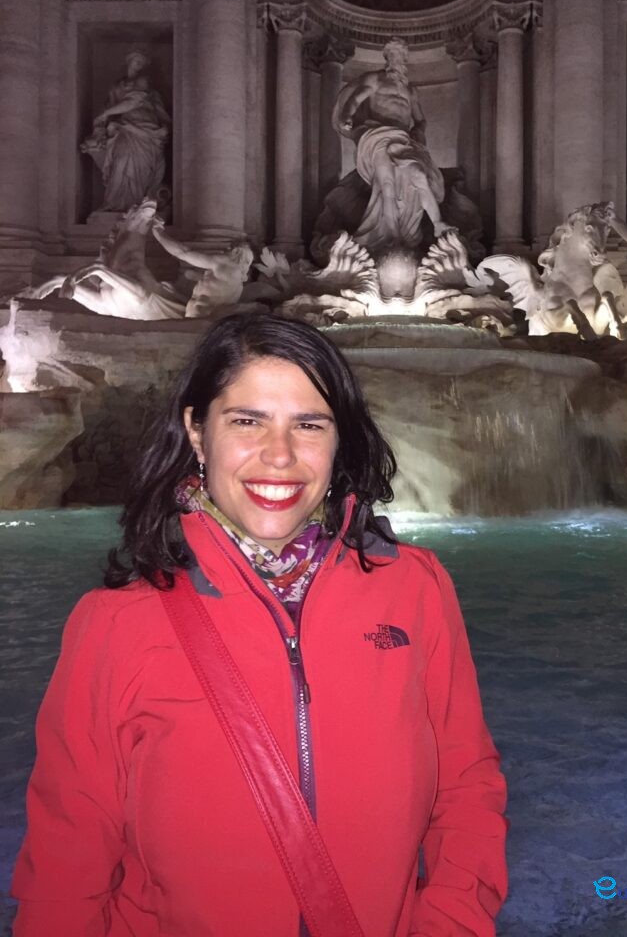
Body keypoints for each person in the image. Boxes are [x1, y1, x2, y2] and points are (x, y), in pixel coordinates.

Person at [11, 313, 508, 936]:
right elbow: (67, 858)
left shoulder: (416, 589)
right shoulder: (114, 624)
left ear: (340, 439)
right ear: (197, 433)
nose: (280, 455)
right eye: (247, 421)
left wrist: (452, 924)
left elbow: (467, 787)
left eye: (309, 424)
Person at [333, 38, 449, 256]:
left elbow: (420, 120)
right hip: (377, 137)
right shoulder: (374, 79)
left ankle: (438, 223)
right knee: (387, 184)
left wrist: (419, 131)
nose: (399, 60)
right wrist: (347, 116)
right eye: (394, 55)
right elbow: (355, 101)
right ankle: (393, 239)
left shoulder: (411, 91)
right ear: (387, 58)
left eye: (402, 56)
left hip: (403, 140)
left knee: (419, 174)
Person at [81, 49, 171, 212]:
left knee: (142, 168)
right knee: (120, 160)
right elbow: (109, 107)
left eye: (142, 63)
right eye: (137, 61)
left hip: (146, 130)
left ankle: (138, 207)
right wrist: (100, 126)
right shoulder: (117, 86)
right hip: (124, 129)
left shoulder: (144, 82)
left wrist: (106, 114)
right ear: (128, 61)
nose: (139, 65)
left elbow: (135, 102)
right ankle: (115, 203)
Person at [151, 221, 254, 318]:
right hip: (206, 314)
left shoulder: (226, 262)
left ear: (237, 251)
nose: (224, 251)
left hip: (199, 312)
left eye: (229, 249)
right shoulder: (239, 279)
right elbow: (216, 286)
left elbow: (184, 252)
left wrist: (158, 233)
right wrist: (195, 276)